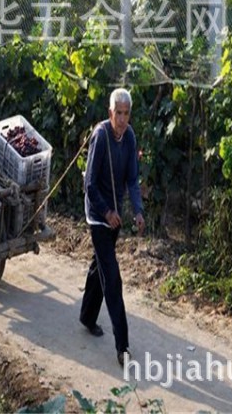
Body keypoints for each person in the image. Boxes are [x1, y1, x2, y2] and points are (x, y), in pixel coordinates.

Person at [79, 88, 145, 367]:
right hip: (98, 215)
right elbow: (90, 184)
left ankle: (86, 316)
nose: (122, 119)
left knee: (100, 267)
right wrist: (106, 212)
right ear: (110, 113)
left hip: (115, 216)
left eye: (126, 113)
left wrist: (138, 211)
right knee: (113, 278)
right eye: (117, 113)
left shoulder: (129, 137)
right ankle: (123, 347)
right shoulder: (101, 136)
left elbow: (132, 179)